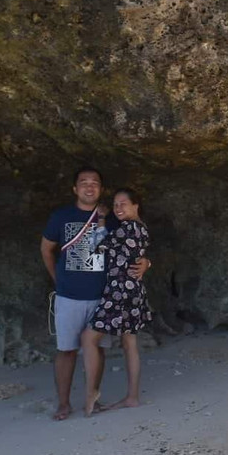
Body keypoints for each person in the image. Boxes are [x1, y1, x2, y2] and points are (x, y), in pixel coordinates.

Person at [40, 167, 149, 421]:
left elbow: (134, 246)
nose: (89, 187)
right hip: (69, 295)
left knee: (96, 347)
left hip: (103, 296)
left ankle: (93, 398)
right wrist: (58, 280)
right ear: (75, 189)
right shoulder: (61, 216)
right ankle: (64, 404)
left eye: (95, 183)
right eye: (84, 182)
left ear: (101, 188)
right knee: (67, 350)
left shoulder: (113, 218)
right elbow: (46, 250)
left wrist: (147, 263)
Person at [81, 188, 153, 415]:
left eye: (123, 203)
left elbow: (96, 246)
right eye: (115, 204)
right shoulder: (141, 227)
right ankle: (132, 397)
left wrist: (102, 219)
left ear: (135, 205)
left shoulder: (128, 227)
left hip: (119, 292)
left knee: (88, 338)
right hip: (133, 290)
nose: (118, 208)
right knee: (130, 344)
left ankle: (92, 392)